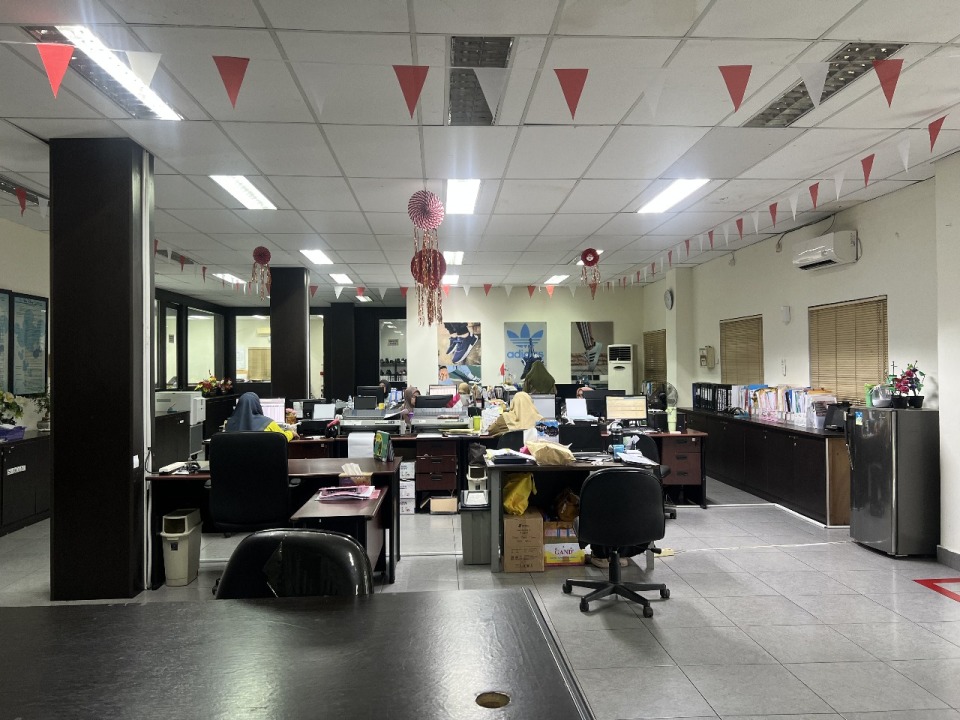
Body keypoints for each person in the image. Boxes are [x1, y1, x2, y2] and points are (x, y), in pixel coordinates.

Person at [224, 392, 298, 441]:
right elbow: (282, 437)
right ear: (257, 405)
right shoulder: (268, 423)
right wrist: (291, 433)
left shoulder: (228, 424)